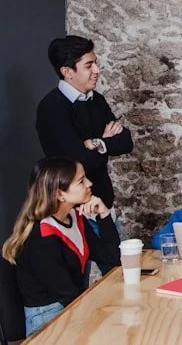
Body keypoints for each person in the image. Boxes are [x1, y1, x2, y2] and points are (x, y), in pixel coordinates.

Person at [36, 36, 132, 271]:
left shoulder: (96, 100)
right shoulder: (52, 108)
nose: (97, 70)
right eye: (89, 65)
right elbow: (80, 162)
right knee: (80, 281)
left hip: (102, 204)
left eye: (95, 63)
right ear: (67, 72)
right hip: (73, 210)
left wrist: (96, 143)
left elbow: (126, 142)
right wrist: (106, 143)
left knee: (117, 271)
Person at [1, 157, 121, 336]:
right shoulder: (41, 236)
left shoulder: (75, 218)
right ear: (59, 194)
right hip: (47, 319)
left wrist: (103, 214)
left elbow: (112, 260)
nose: (90, 183)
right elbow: (67, 294)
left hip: (75, 304)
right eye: (81, 181)